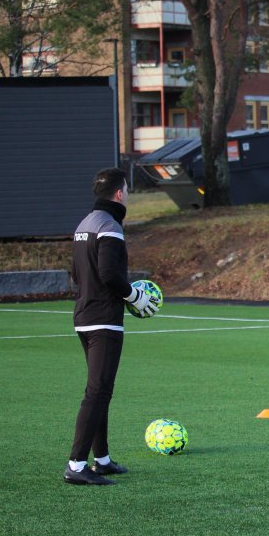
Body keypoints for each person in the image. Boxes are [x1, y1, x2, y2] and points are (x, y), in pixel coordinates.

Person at [65, 168, 158, 485]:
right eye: (127, 190)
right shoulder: (110, 226)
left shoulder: (84, 225)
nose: (128, 195)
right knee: (98, 391)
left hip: (84, 316)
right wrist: (135, 296)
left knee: (99, 390)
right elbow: (109, 274)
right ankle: (76, 465)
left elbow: (75, 273)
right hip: (103, 319)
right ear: (119, 193)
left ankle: (101, 459)